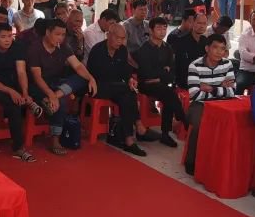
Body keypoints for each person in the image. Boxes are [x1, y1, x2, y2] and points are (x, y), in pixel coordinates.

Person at [27, 18, 97, 156]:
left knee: (82, 79)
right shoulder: (35, 48)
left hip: (56, 84)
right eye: (57, 34)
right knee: (61, 101)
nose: (60, 38)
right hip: (38, 85)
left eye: (63, 35)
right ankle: (55, 139)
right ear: (48, 32)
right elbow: (37, 77)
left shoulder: (63, 46)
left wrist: (91, 78)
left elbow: (77, 65)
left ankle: (54, 97)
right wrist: (50, 94)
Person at [86, 24, 149, 156]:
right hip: (97, 86)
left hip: (117, 88)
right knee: (126, 91)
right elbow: (96, 75)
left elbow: (125, 71)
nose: (120, 41)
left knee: (128, 95)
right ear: (108, 35)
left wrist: (129, 79)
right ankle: (137, 123)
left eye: (122, 38)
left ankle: (129, 140)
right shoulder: (97, 50)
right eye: (117, 38)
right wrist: (121, 82)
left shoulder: (122, 50)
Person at [0, 22, 38, 162]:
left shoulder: (17, 48)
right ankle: (18, 148)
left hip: (11, 83)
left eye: (10, 36)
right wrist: (11, 92)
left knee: (32, 90)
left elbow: (21, 72)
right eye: (3, 37)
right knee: (13, 103)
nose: (7, 40)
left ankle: (30, 102)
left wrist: (24, 92)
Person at [182, 34, 236, 174]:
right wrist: (221, 88)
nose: (219, 52)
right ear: (207, 48)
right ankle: (191, 161)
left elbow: (232, 92)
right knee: (199, 124)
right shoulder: (195, 66)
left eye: (222, 49)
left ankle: (222, 162)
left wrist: (211, 89)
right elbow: (195, 95)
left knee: (233, 123)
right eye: (215, 47)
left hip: (222, 103)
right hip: (200, 104)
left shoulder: (227, 64)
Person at [134, 17, 187, 147]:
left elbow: (172, 72)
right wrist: (163, 71)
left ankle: (166, 133)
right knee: (168, 93)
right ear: (151, 30)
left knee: (168, 94)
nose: (162, 32)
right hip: (146, 84)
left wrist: (161, 76)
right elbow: (146, 74)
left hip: (162, 84)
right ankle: (181, 117)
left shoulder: (167, 48)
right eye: (158, 28)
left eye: (164, 28)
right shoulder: (144, 49)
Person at [172, 12, 210, 90]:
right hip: (185, 79)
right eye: (199, 23)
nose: (202, 26)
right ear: (193, 23)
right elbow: (179, 67)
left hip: (202, 78)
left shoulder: (205, 41)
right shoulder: (180, 40)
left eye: (204, 23)